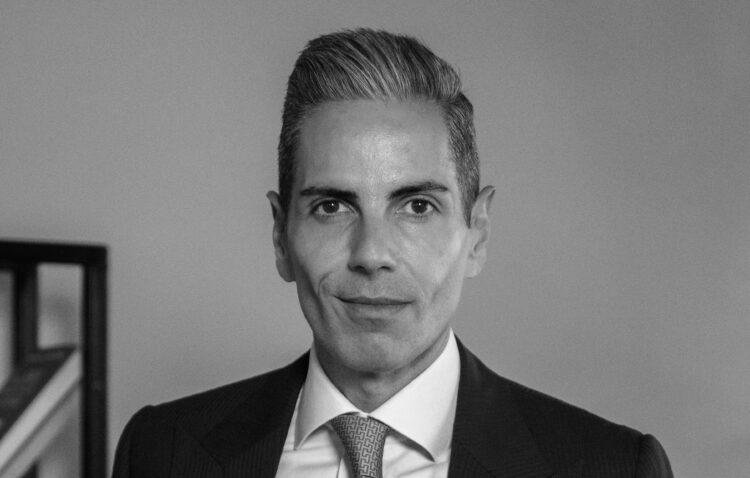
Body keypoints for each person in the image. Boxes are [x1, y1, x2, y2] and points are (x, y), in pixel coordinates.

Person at [112, 28, 673, 477]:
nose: (372, 253)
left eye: (417, 207)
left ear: (477, 232)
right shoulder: (162, 453)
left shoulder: (612, 467)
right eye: (332, 206)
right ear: (281, 236)